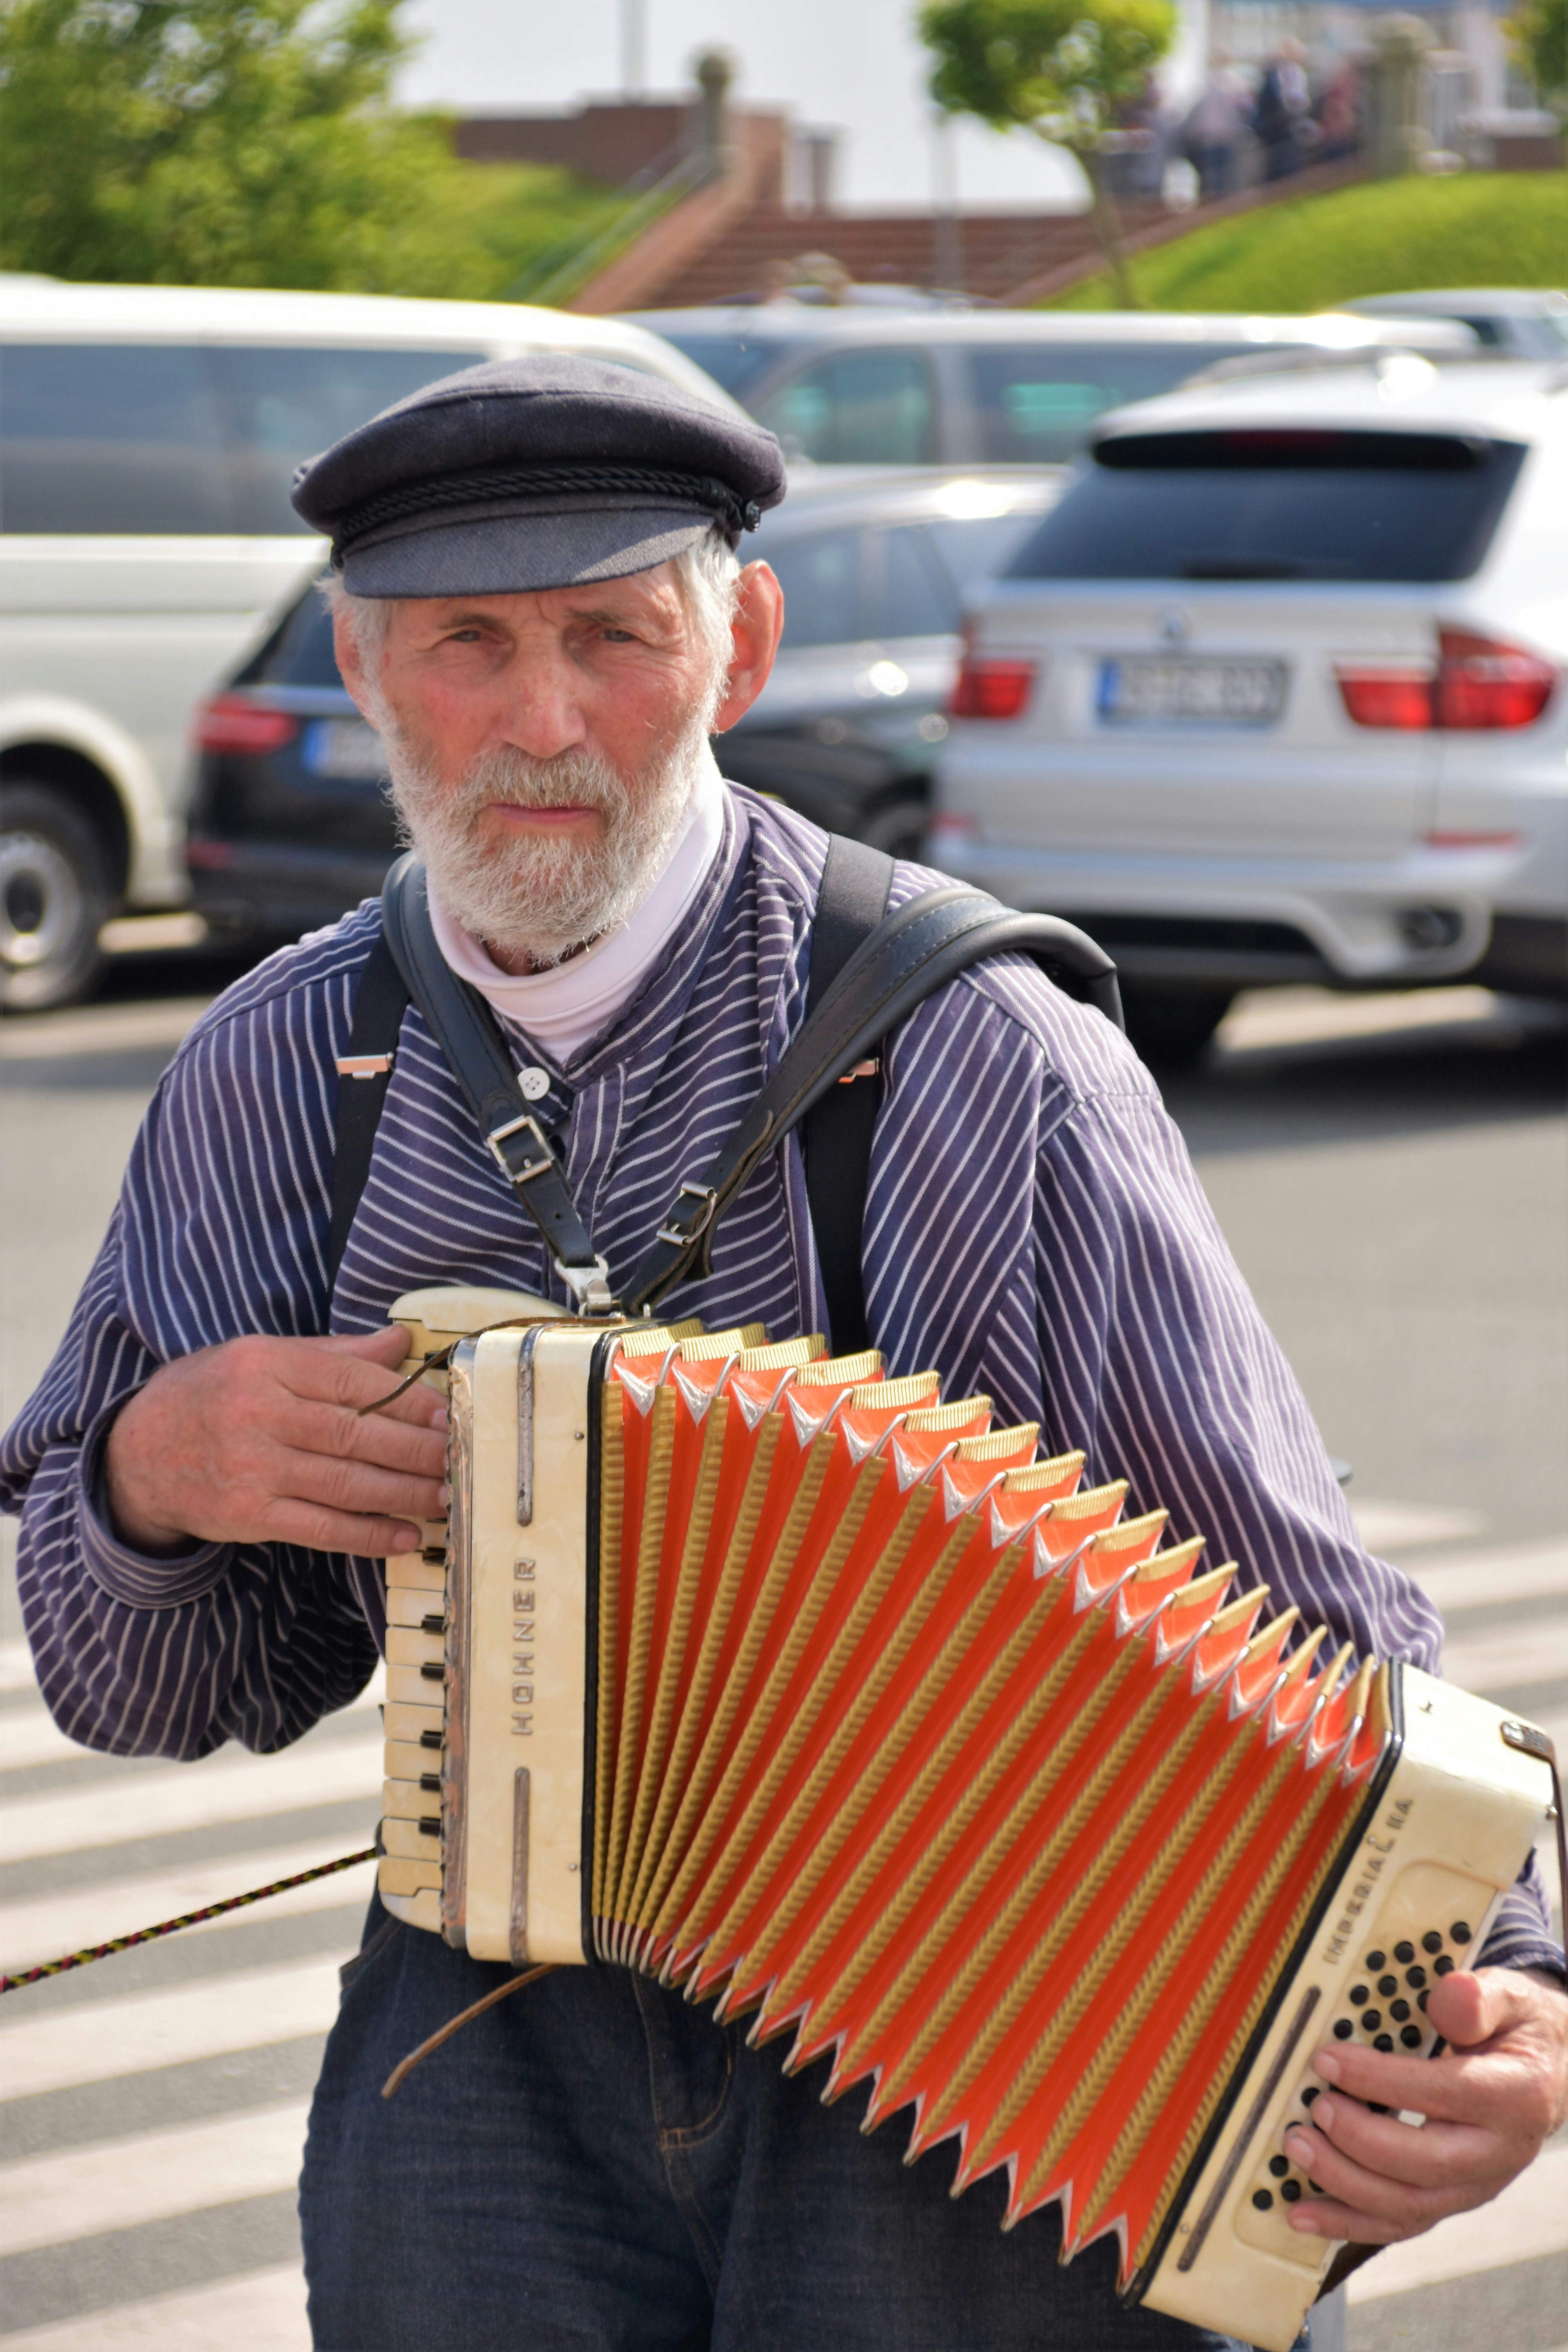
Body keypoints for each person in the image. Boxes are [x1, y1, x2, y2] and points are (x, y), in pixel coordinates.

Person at [3, 355, 1564, 2352]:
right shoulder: (271, 1079)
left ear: (737, 643)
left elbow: (1296, 1601)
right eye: (467, 643)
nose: (542, 721)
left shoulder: (977, 1057)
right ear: (363, 671)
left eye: (611, 636)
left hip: (973, 2015)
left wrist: (1508, 1979)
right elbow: (150, 1691)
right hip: (497, 2044)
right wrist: (148, 1473)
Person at [1180, 62, 1252, 200]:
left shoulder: (1206, 90)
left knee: (1211, 179)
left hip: (1209, 140)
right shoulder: (1230, 86)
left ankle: (1212, 204)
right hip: (1220, 139)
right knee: (1220, 177)